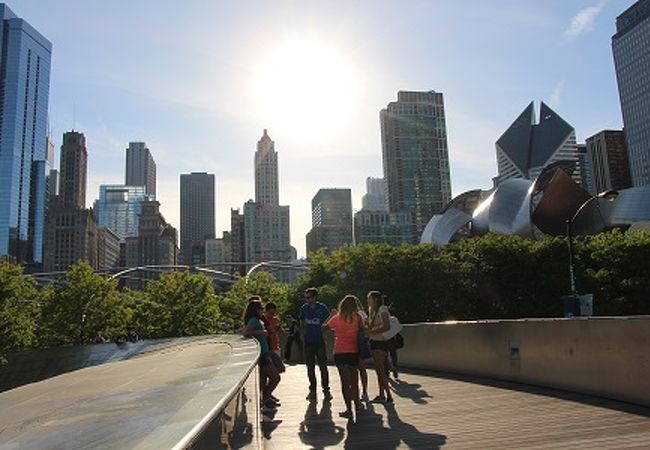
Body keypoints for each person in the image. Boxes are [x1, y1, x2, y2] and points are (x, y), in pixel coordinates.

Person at [322, 295, 364, 419]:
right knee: (354, 382)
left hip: (340, 352)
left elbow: (323, 328)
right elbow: (364, 330)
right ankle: (357, 406)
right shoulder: (358, 318)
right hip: (354, 352)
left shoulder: (337, 318)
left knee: (345, 382)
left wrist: (330, 316)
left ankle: (348, 409)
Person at [241, 299, 281, 414]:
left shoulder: (257, 320)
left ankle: (264, 401)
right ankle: (266, 398)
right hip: (262, 354)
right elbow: (246, 333)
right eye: (261, 308)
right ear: (256, 310)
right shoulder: (253, 320)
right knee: (275, 377)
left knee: (263, 380)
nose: (262, 311)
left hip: (264, 352)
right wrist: (261, 333)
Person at [299, 287, 332, 401]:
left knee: (323, 366)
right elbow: (302, 322)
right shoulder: (304, 308)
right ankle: (312, 390)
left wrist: (326, 332)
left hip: (319, 341)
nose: (307, 299)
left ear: (314, 297)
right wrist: (302, 334)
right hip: (308, 341)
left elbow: (329, 321)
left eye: (309, 297)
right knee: (310, 368)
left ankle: (326, 390)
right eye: (306, 297)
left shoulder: (322, 308)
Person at [366, 290, 394, 404]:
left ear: (375, 299)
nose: (368, 301)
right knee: (378, 369)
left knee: (381, 369)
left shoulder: (382, 309)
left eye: (369, 298)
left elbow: (386, 326)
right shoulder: (372, 311)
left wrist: (372, 332)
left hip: (380, 342)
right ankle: (381, 394)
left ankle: (388, 395)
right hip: (374, 341)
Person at [355, 297, 371, 400]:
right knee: (359, 368)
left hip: (358, 341)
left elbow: (368, 324)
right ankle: (360, 391)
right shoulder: (361, 313)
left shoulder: (361, 314)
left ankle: (364, 391)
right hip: (356, 341)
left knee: (360, 367)